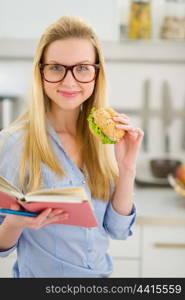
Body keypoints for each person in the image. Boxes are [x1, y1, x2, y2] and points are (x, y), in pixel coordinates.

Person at [0, 16, 144, 278]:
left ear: (96, 73)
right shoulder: (14, 143)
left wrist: (127, 168)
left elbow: (118, 230)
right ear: (40, 72)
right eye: (56, 67)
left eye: (82, 68)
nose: (69, 81)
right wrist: (14, 223)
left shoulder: (104, 137)